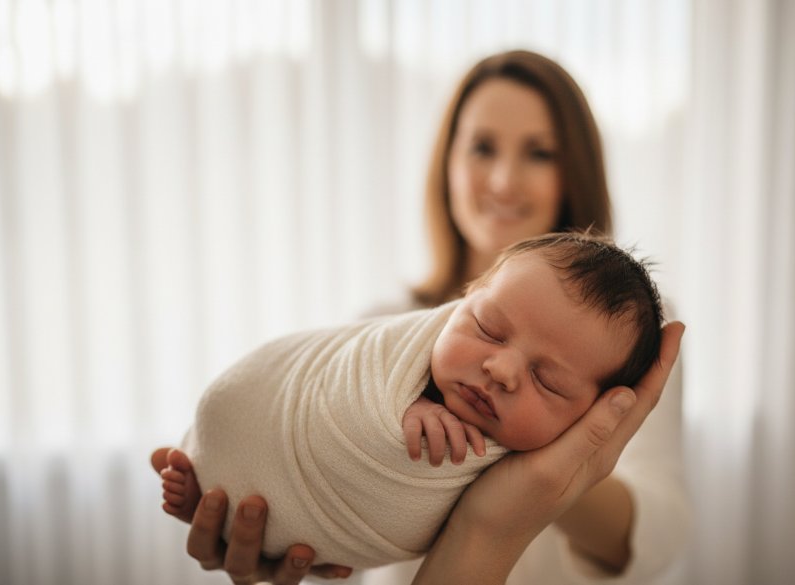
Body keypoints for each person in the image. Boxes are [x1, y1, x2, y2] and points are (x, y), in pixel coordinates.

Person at [151, 49, 688, 584]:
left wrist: (558, 463)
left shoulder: (627, 344)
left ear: (575, 172)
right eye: (482, 147)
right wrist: (295, 511)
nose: (503, 180)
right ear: (447, 162)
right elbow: (338, 486)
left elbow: (656, 536)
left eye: (540, 153)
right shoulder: (384, 328)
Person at [160, 232, 664, 570]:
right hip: (253, 417)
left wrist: (570, 474)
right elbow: (346, 396)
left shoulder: (618, 354)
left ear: (598, 410)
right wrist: (410, 407)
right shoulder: (392, 332)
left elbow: (664, 542)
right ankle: (202, 484)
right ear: (466, 300)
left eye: (549, 381)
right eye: (488, 328)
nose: (502, 370)